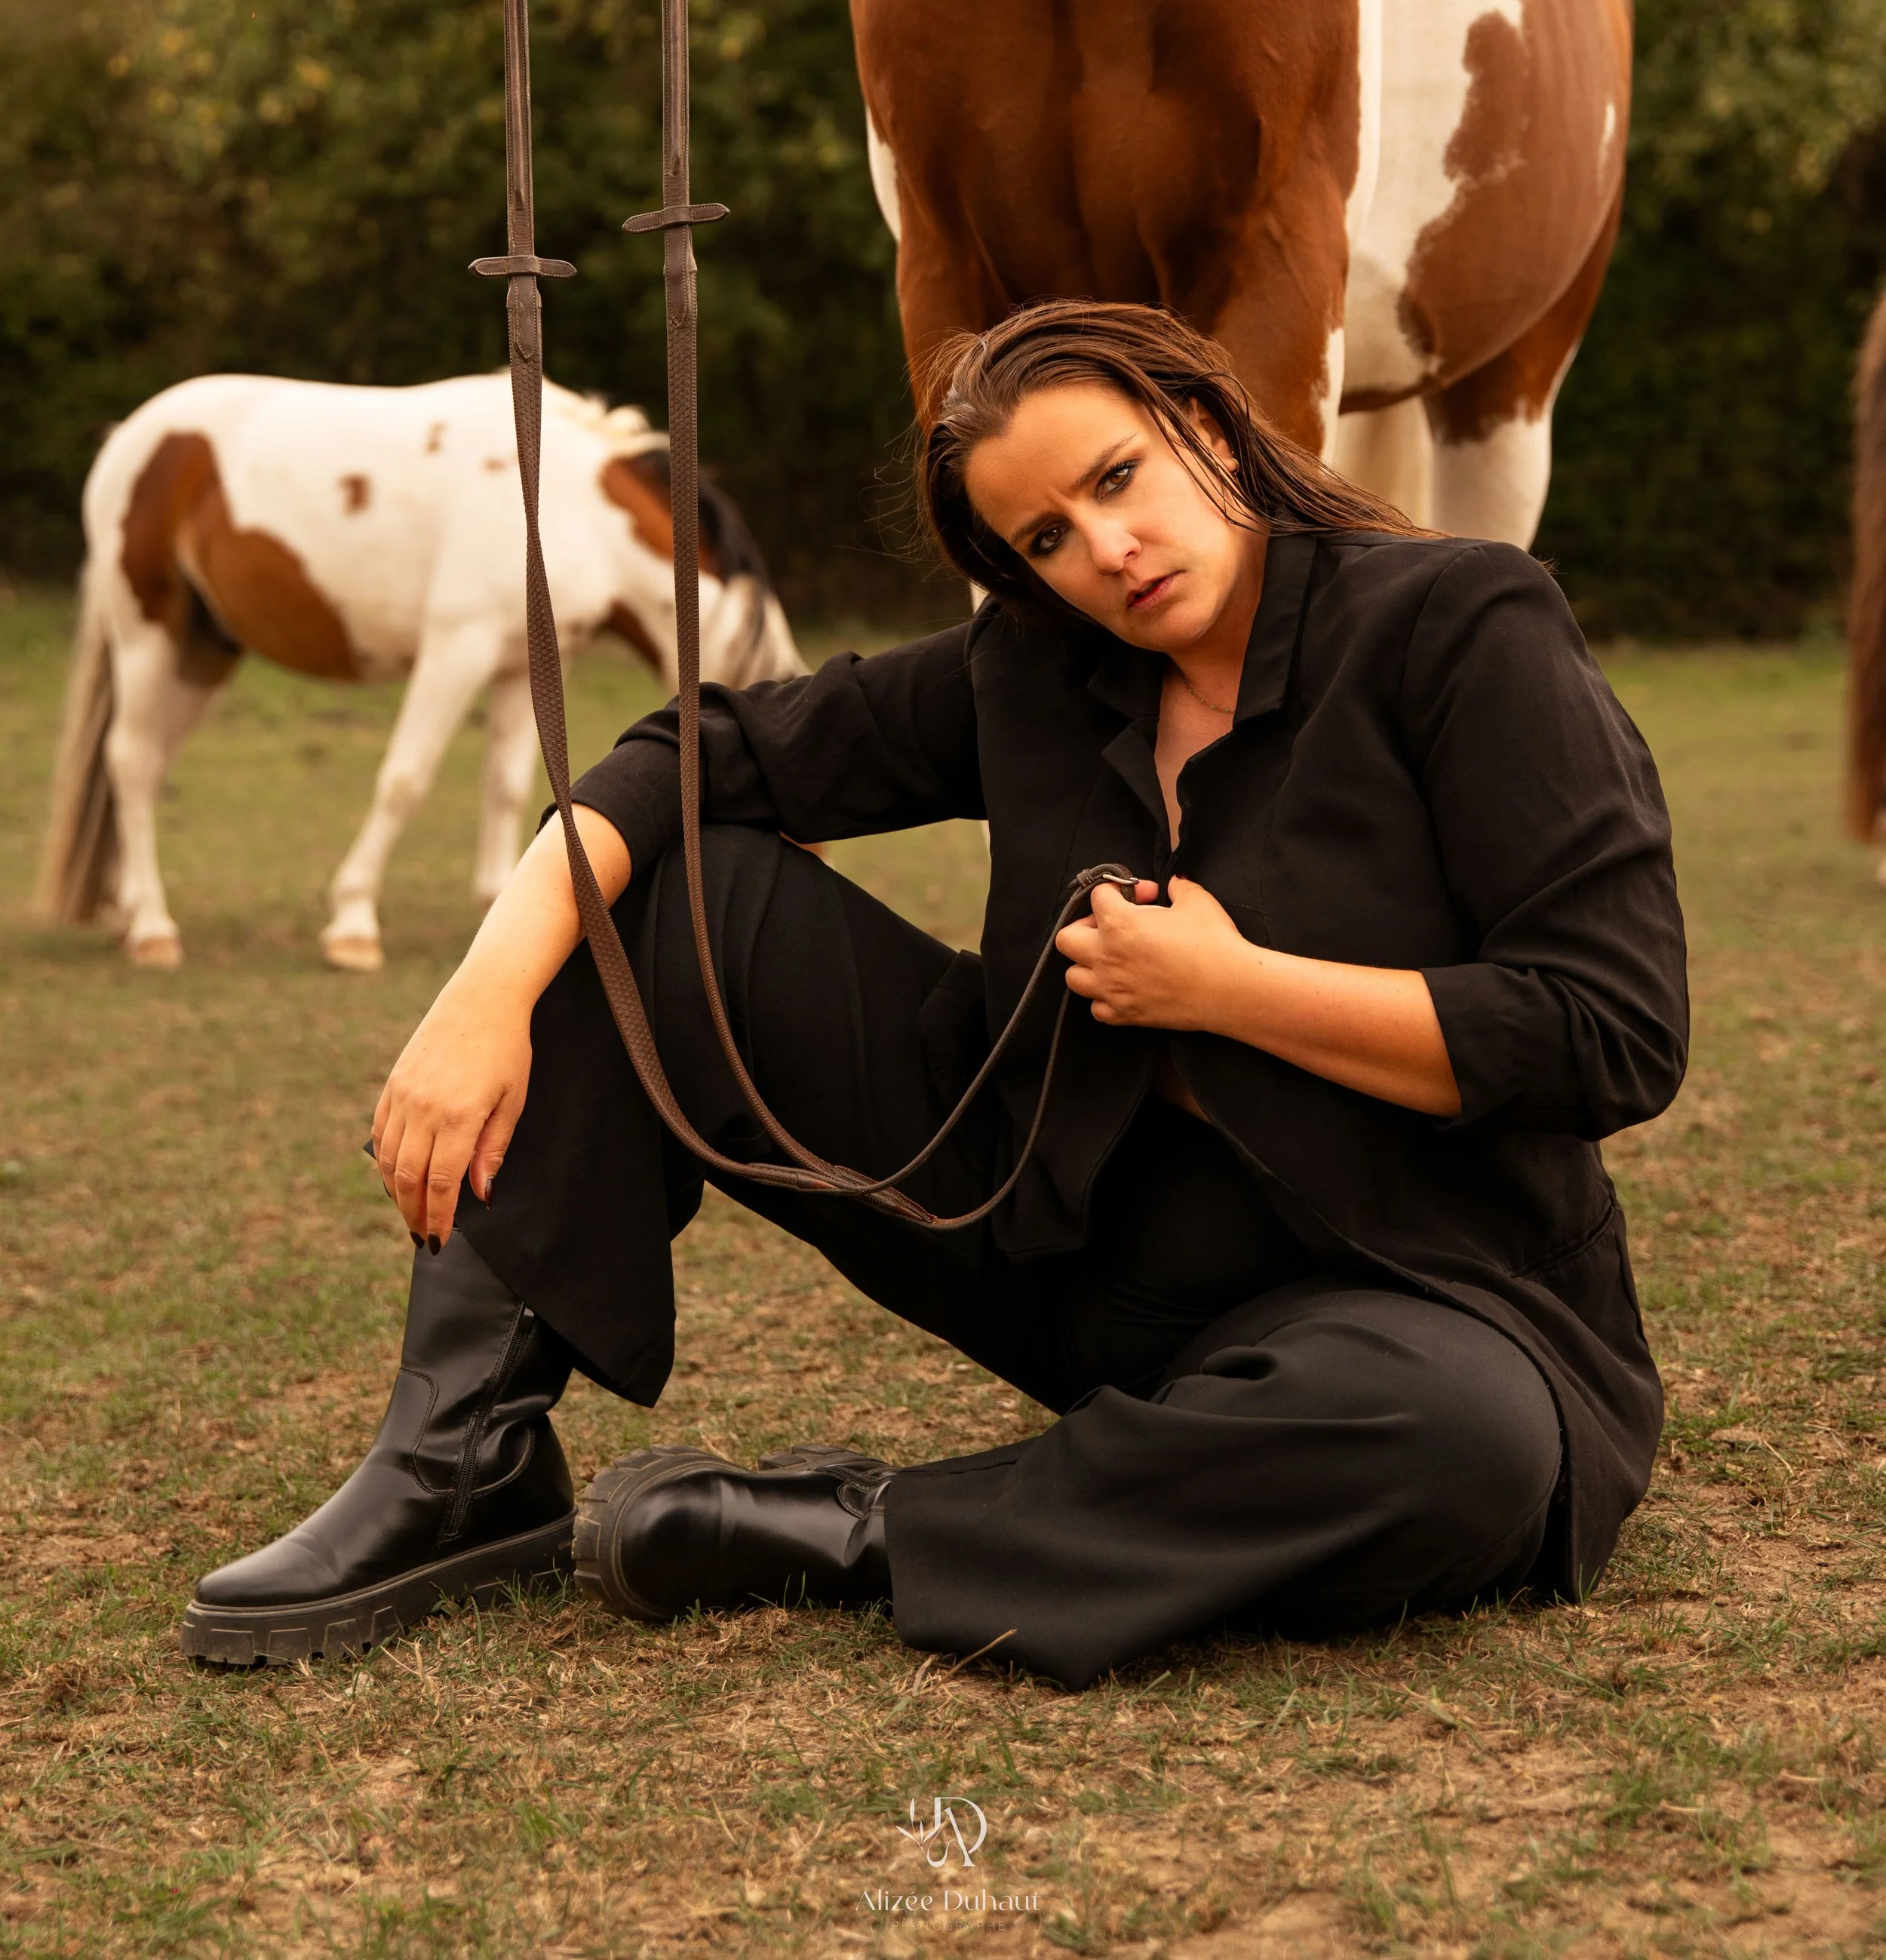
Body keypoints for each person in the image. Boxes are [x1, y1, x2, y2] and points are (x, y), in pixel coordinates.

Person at [184, 302, 1688, 1688]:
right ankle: (463, 1461)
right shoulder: (1038, 668)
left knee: (1465, 1450)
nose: (1102, 549)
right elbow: (693, 749)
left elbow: (1608, 1034)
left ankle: (848, 1528)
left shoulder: (1458, 627)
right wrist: (481, 994)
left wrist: (1231, 990)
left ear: (1208, 429)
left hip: (1416, 1299)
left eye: (1117, 478)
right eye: (1041, 536)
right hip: (1057, 1242)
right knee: (670, 890)